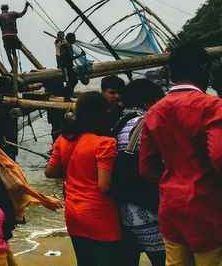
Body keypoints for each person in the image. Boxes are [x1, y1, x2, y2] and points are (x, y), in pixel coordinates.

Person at [139, 44, 222, 266]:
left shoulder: (155, 111)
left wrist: (173, 179)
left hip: (170, 205)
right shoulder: (212, 106)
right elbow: (218, 156)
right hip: (207, 206)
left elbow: (147, 167)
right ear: (204, 68)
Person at [45, 92, 122, 266]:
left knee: (84, 261)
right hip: (99, 213)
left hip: (73, 211)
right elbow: (104, 186)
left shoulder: (63, 140)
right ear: (103, 113)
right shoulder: (105, 143)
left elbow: (50, 172)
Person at [111, 79, 166, 266]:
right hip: (148, 210)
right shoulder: (149, 123)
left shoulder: (118, 124)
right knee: (163, 260)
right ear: (149, 102)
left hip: (123, 210)